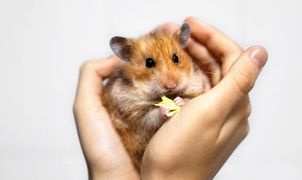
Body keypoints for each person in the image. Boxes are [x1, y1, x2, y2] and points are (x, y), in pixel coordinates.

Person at [73, 17, 268, 180]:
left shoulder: (192, 77)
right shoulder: (123, 92)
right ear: (126, 54)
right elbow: (141, 124)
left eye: (175, 59)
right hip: (138, 148)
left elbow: (194, 98)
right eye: (150, 63)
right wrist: (159, 114)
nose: (170, 82)